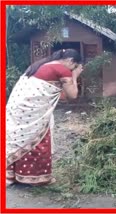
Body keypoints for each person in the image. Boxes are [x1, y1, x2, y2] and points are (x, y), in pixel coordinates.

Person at [6, 48, 83, 187]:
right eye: (75, 66)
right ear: (71, 61)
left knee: (21, 139)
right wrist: (75, 76)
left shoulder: (41, 64)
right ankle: (34, 177)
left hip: (18, 109)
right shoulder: (62, 69)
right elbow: (73, 95)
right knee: (38, 140)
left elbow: (60, 96)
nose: (73, 69)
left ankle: (13, 174)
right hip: (32, 112)